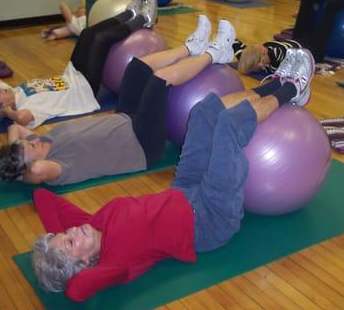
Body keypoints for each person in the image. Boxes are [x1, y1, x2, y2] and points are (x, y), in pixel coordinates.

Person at [30, 47, 315, 302]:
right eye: (70, 241)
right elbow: (77, 291)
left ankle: (276, 84)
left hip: (182, 188)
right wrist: (63, 267)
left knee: (203, 111)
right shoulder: (115, 264)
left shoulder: (92, 224)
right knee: (228, 126)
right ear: (84, 264)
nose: (73, 231)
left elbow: (43, 197)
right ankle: (293, 90)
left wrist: (57, 241)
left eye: (65, 232)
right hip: (208, 219)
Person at [0, 15, 240, 185]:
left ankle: (191, 48)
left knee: (136, 68)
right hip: (141, 144)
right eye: (28, 150)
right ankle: (216, 53)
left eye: (26, 145)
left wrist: (13, 152)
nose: (32, 144)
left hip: (124, 119)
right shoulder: (55, 168)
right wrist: (17, 170)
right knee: (159, 80)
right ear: (27, 166)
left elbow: (13, 127)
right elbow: (35, 171)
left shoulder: (40, 142)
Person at [0, 0, 155, 128]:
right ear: (1, 109)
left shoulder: (14, 92)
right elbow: (21, 118)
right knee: (101, 40)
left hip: (71, 74)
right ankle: (143, 19)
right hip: (83, 90)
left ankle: (128, 13)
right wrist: (7, 112)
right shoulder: (26, 109)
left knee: (87, 33)